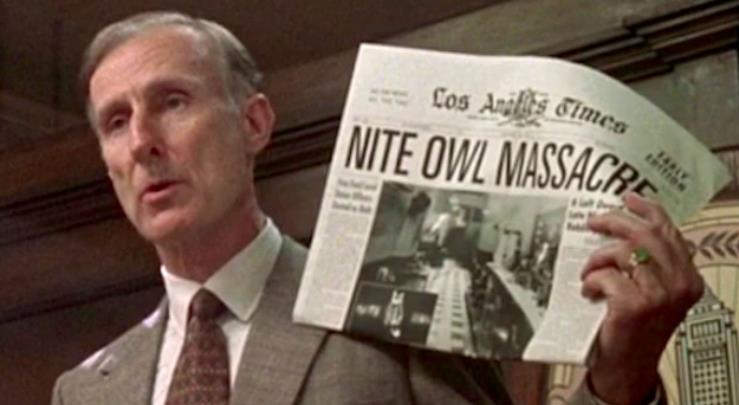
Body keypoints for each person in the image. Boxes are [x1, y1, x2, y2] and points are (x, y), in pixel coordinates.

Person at [53, 11, 703, 405]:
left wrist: (621, 385)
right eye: (116, 121)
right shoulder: (83, 390)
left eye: (172, 102)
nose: (142, 142)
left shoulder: (394, 306)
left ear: (253, 123)